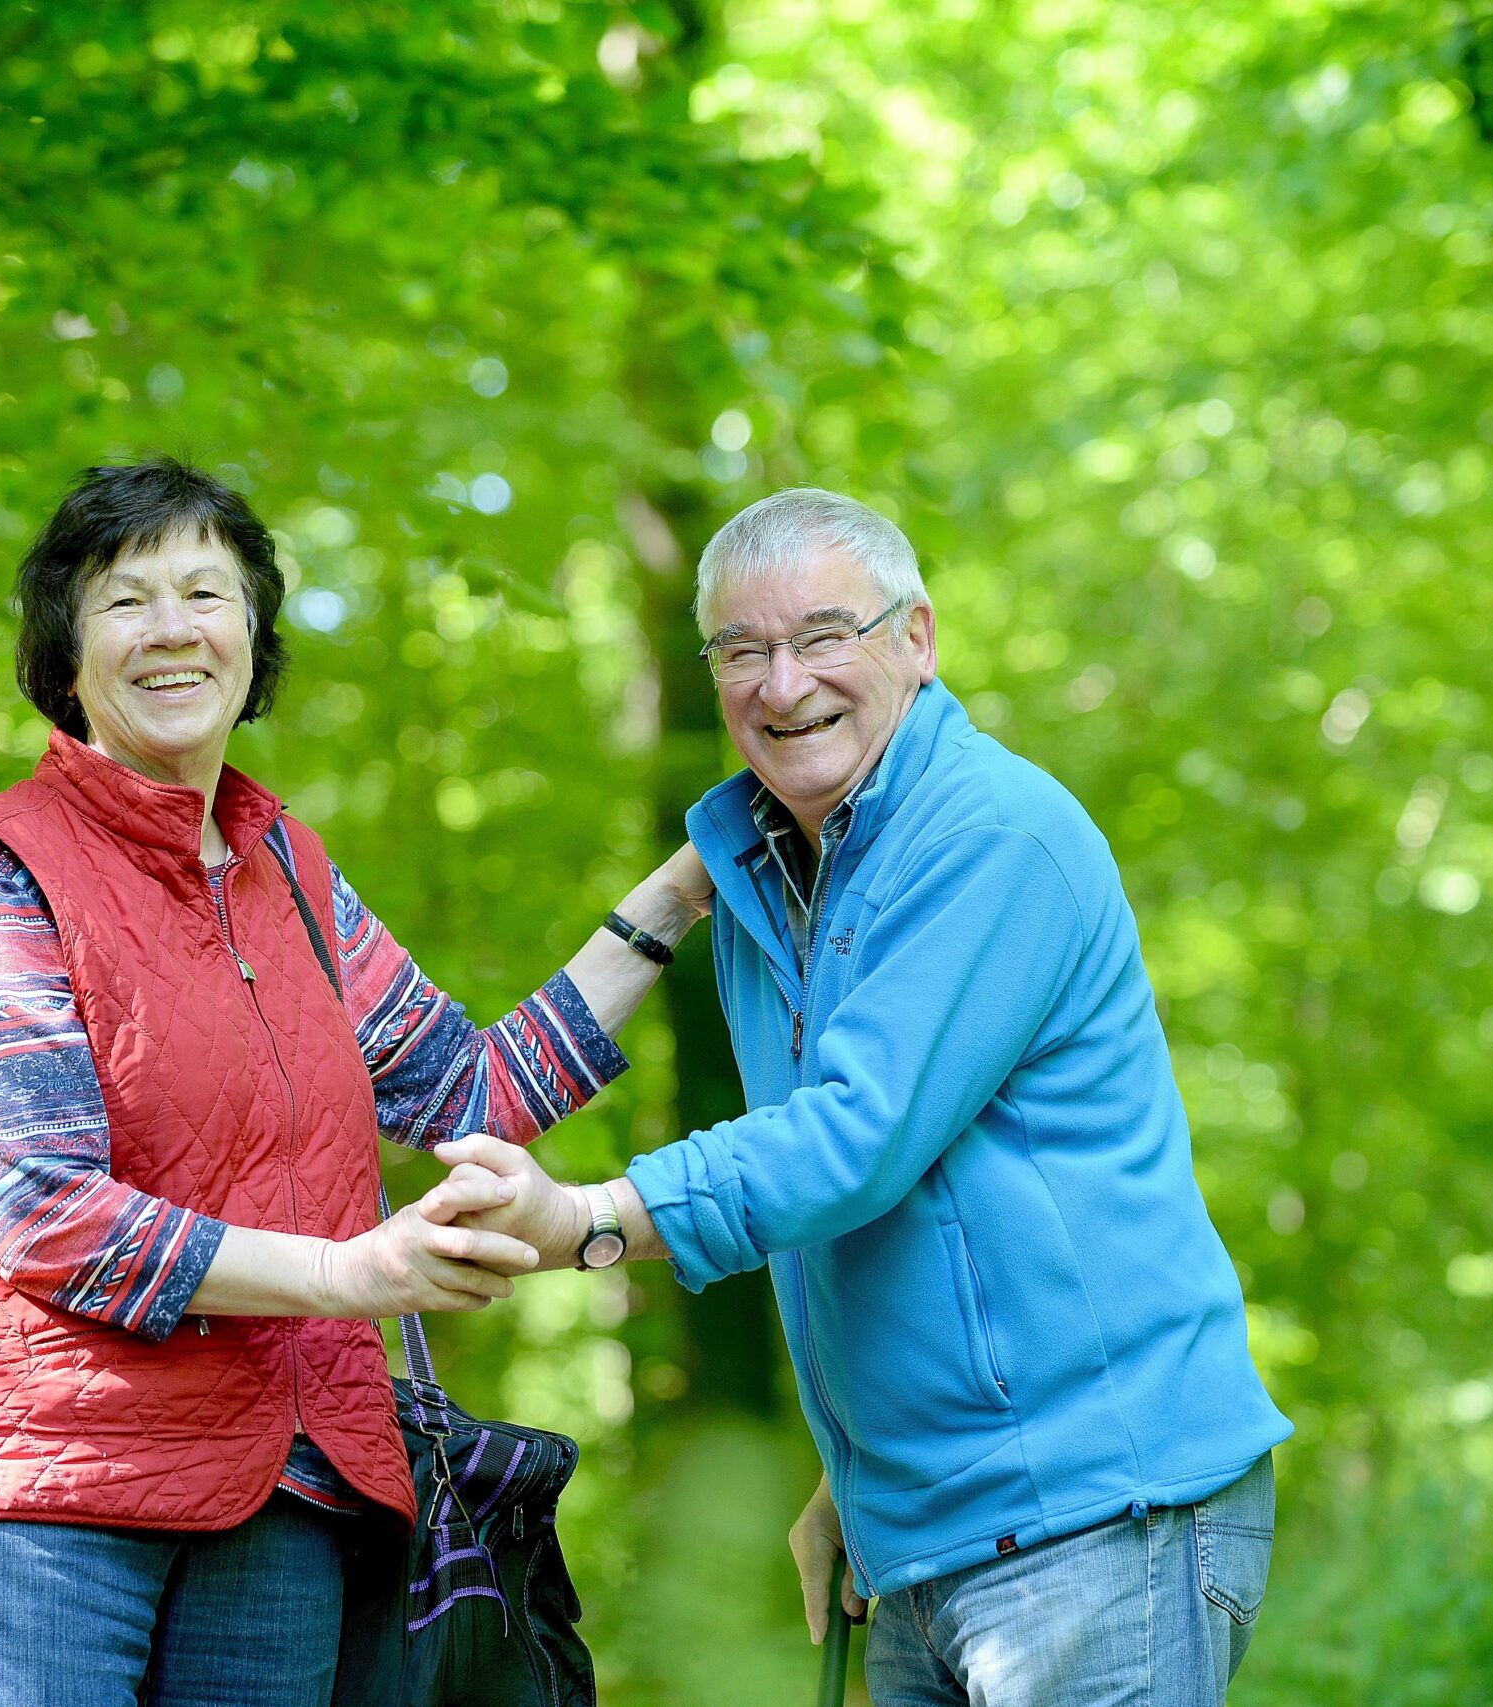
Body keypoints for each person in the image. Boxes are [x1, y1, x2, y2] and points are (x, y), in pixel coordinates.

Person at [0, 457, 711, 1707]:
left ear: (253, 633)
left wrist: (682, 889)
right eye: (124, 600)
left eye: (205, 592)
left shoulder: (292, 875)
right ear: (65, 651)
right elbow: (41, 1207)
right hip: (47, 1483)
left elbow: (465, 1094)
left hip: (290, 1492)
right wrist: (346, 1275)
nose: (172, 631)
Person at [439, 488, 1293, 1707]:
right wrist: (858, 1469)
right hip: (924, 1528)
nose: (783, 685)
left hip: (1096, 1514)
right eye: (742, 651)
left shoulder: (990, 836)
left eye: (825, 635)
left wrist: (584, 1221)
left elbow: (855, 1140)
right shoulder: (777, 868)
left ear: (917, 639)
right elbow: (923, 1218)